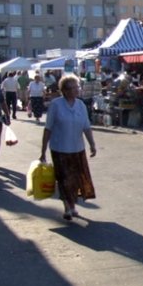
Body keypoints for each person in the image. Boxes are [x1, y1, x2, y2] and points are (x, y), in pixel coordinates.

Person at [39, 75, 98, 221]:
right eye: (72, 87)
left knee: (76, 179)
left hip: (77, 148)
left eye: (77, 87)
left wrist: (92, 144)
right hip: (60, 148)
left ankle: (73, 205)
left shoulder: (81, 105)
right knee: (64, 179)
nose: (76, 90)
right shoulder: (56, 104)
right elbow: (48, 128)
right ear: (64, 90)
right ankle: (67, 207)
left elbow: (86, 127)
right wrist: (43, 150)